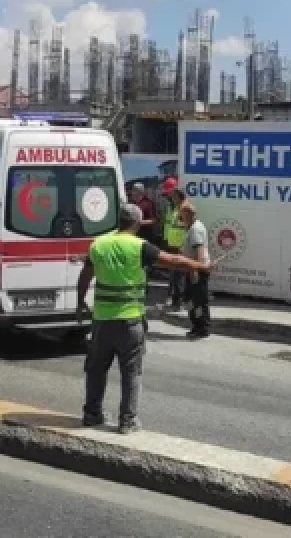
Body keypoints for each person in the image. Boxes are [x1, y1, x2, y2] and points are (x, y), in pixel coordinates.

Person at [76, 203, 211, 434]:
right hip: (130, 320)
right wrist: (201, 266)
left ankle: (92, 414)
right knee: (131, 371)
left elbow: (85, 275)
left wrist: (80, 302)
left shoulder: (98, 245)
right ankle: (127, 421)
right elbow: (174, 261)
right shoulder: (140, 247)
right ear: (137, 223)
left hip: (102, 320)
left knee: (96, 369)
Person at [179, 203, 212, 340]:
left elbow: (199, 249)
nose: (180, 216)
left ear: (188, 214)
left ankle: (201, 327)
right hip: (192, 268)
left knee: (198, 301)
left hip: (196, 270)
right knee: (190, 299)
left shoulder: (195, 229)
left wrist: (195, 270)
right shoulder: (191, 227)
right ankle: (196, 325)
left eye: (182, 214)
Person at [161, 180, 189, 309]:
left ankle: (178, 301)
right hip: (171, 243)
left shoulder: (183, 208)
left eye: (171, 195)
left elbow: (186, 225)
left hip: (180, 246)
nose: (169, 197)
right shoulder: (171, 207)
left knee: (178, 274)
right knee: (173, 273)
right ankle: (173, 298)